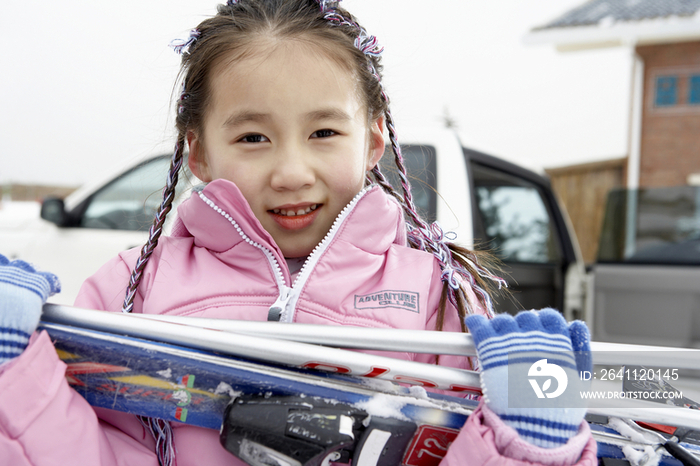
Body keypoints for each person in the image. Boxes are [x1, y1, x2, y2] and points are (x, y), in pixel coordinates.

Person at [0, 1, 596, 465]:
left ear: (374, 139)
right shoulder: (130, 292)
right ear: (199, 151)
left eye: (324, 133)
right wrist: (13, 369)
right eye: (253, 137)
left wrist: (531, 436)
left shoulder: (436, 297)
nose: (290, 172)